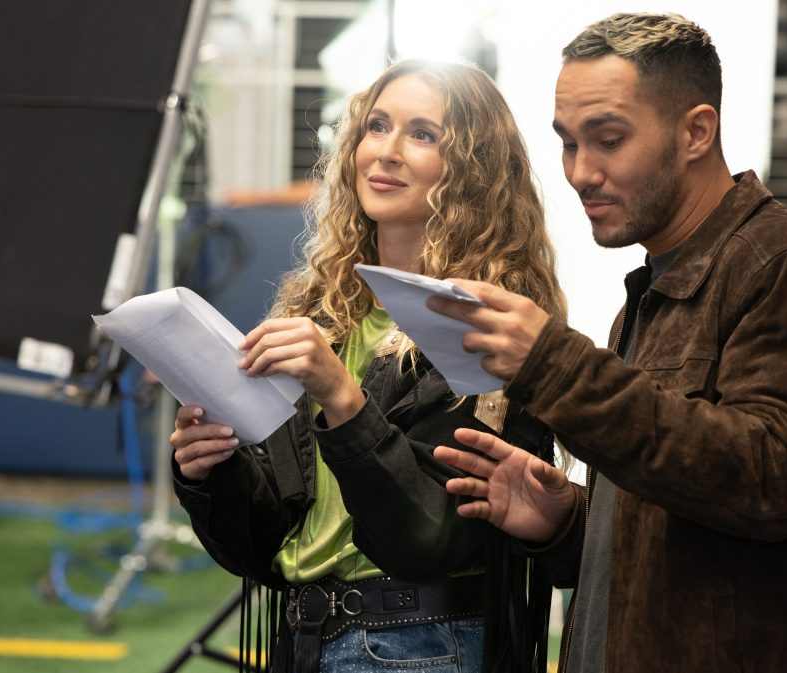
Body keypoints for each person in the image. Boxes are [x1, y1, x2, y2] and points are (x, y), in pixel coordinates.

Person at [427, 13, 787, 673]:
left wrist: (553, 363)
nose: (579, 171)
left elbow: (770, 479)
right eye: (568, 143)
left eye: (607, 139)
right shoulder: (654, 292)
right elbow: (679, 519)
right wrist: (571, 523)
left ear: (696, 131)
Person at [170, 58, 565, 673]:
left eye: (422, 134)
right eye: (376, 127)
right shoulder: (319, 311)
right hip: (304, 637)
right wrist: (209, 474)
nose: (386, 152)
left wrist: (341, 396)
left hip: (423, 643)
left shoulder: (493, 324)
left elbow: (428, 537)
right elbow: (271, 542)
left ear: (473, 170)